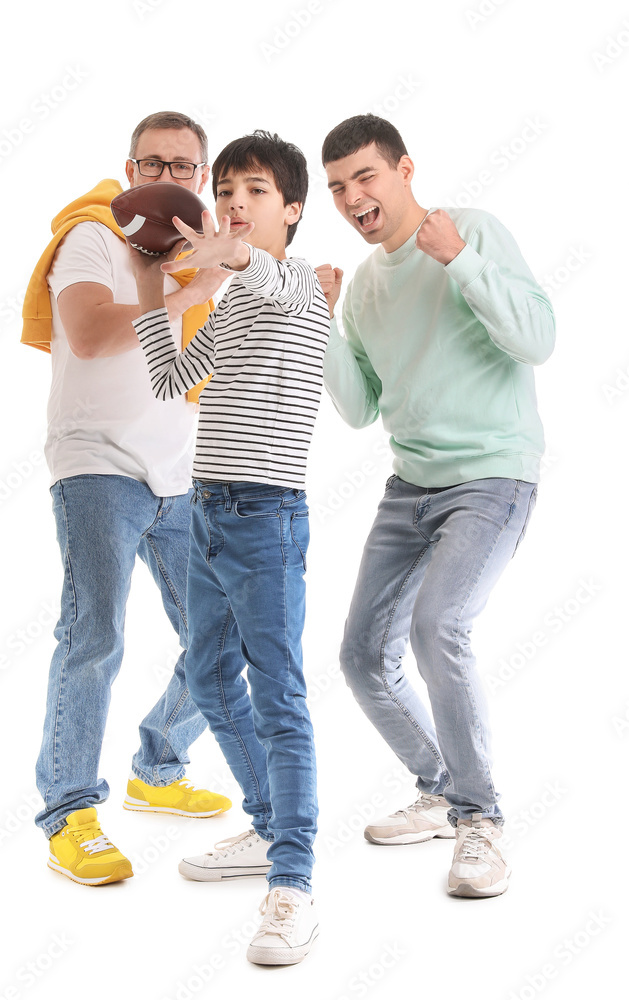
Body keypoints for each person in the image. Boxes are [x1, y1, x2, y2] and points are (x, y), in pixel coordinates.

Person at [318, 113, 555, 898]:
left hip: (491, 476)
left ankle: (479, 820)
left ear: (405, 169)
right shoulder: (363, 289)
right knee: (358, 655)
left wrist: (459, 262)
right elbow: (358, 408)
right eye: (336, 188)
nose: (353, 197)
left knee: (437, 626)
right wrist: (322, 323)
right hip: (408, 486)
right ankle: (441, 787)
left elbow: (535, 340)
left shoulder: (471, 230)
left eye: (365, 177)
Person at [130, 131, 329, 963]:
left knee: (277, 692)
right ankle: (267, 825)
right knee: (211, 675)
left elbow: (264, 273)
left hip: (267, 517)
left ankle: (293, 883)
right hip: (207, 510)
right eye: (225, 192)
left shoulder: (297, 288)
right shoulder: (238, 295)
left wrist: (222, 256)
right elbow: (172, 381)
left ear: (289, 208)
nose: (234, 203)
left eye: (252, 191)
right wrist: (153, 293)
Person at [22, 111, 233, 887]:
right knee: (95, 637)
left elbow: (190, 375)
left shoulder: (198, 261)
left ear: (200, 178)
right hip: (95, 468)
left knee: (226, 633)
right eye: (152, 164)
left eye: (182, 166)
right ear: (130, 169)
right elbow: (87, 331)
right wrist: (190, 292)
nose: (166, 177)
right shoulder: (94, 238)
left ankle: (159, 766)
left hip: (177, 478)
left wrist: (227, 287)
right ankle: (69, 812)